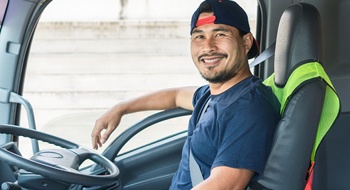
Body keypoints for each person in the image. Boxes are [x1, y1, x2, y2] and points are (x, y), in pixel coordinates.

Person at [91, 0, 280, 189]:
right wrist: (121, 108)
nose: (208, 47)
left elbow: (226, 185)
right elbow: (176, 96)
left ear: (246, 42)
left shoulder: (248, 108)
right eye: (199, 36)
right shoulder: (214, 94)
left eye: (220, 34)